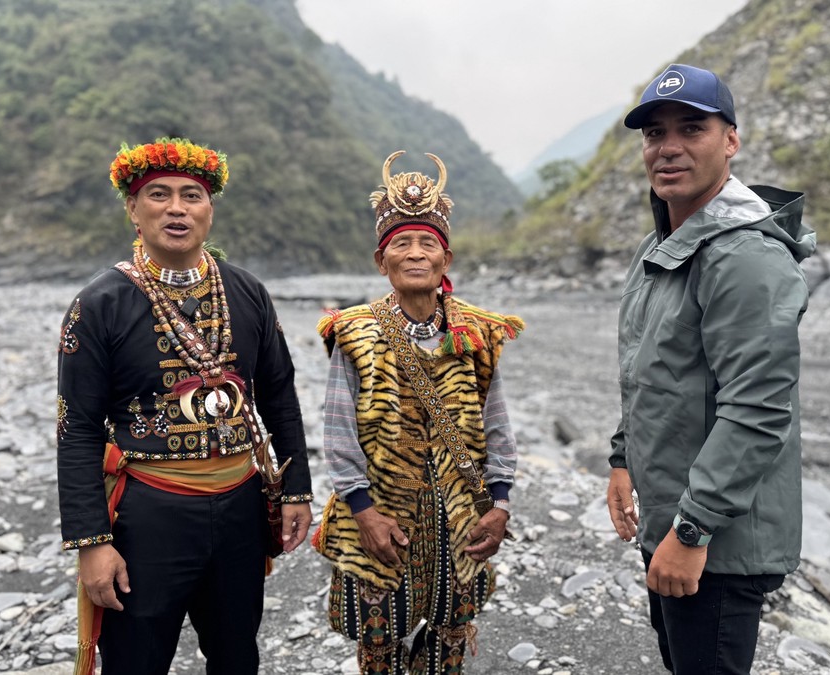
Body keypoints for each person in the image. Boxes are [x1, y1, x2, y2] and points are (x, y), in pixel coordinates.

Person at [56, 136, 313, 675]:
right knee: (136, 660)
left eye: (192, 195)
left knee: (237, 653)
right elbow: (77, 428)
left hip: (241, 507)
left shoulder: (247, 292)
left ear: (210, 210)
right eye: (159, 195)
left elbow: (280, 397)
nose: (177, 208)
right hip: (149, 512)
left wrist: (295, 490)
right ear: (133, 208)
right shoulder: (99, 303)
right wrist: (92, 543)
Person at [605, 64, 817, 674]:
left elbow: (757, 410)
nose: (668, 147)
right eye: (654, 133)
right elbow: (648, 374)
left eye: (691, 128)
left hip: (718, 542)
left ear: (731, 140)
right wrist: (622, 459)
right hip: (673, 520)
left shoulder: (745, 256)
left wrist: (692, 532)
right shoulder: (663, 246)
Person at [311, 151, 523, 674]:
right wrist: (361, 511)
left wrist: (499, 503)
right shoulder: (354, 331)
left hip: (461, 516)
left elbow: (497, 424)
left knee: (449, 638)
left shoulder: (477, 331)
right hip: (382, 516)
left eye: (427, 243)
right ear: (381, 263)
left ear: (445, 260)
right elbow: (337, 432)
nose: (414, 253)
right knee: (379, 644)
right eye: (400, 244)